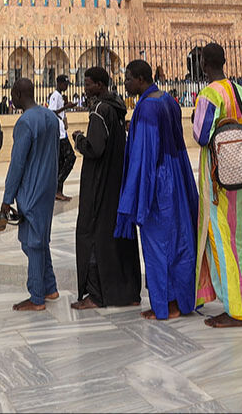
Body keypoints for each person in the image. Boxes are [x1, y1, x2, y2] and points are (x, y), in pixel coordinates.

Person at [115, 59, 197, 320]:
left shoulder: (148, 107)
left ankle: (167, 304)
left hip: (158, 182)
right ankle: (182, 300)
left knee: (158, 243)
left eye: (128, 78)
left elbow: (144, 155)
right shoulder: (168, 100)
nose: (125, 83)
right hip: (175, 176)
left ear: (140, 79)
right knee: (178, 239)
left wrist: (137, 193)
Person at [191, 42, 242, 328]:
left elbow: (201, 135)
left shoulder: (208, 94)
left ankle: (235, 308)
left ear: (205, 64)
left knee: (221, 240)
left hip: (218, 179)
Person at [71, 66, 140, 310]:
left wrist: (79, 139)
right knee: (118, 236)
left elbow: (95, 148)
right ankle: (128, 291)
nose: (86, 88)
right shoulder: (118, 107)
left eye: (89, 84)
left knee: (94, 235)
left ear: (100, 85)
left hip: (100, 183)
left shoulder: (100, 110)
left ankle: (97, 294)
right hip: (117, 181)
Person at [1, 78, 60, 310]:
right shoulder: (50, 117)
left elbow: (17, 164)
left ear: (17, 94)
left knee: (32, 243)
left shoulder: (25, 122)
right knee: (40, 237)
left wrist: (7, 199)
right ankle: (51, 287)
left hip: (32, 188)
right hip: (47, 187)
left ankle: (36, 297)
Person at [49, 74, 74, 201]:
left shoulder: (60, 96)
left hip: (61, 130)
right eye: (65, 84)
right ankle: (58, 185)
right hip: (58, 132)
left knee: (61, 160)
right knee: (71, 157)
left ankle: (58, 191)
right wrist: (66, 107)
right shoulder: (55, 96)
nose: (66, 86)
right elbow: (51, 112)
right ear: (59, 83)